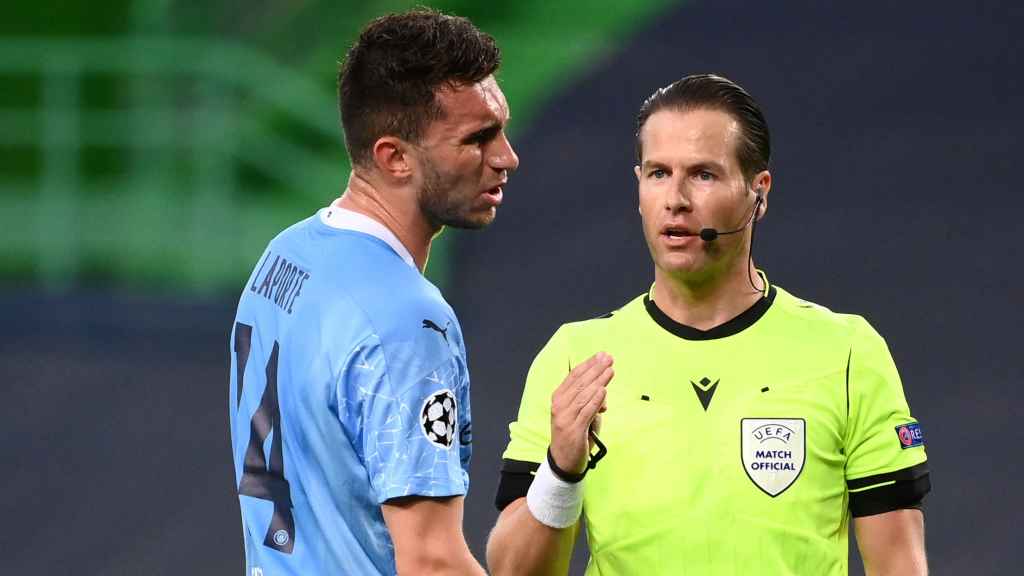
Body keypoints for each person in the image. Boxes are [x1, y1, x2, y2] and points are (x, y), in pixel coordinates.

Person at [487, 74, 929, 575]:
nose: (675, 198)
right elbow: (511, 572)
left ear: (758, 193)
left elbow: (899, 565)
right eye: (657, 173)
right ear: (638, 187)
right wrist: (560, 471)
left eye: (703, 174)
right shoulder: (575, 357)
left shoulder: (848, 352)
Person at [227, 9, 518, 575]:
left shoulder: (285, 256)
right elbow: (431, 561)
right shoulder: (407, 321)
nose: (507, 157)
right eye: (478, 138)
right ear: (395, 157)